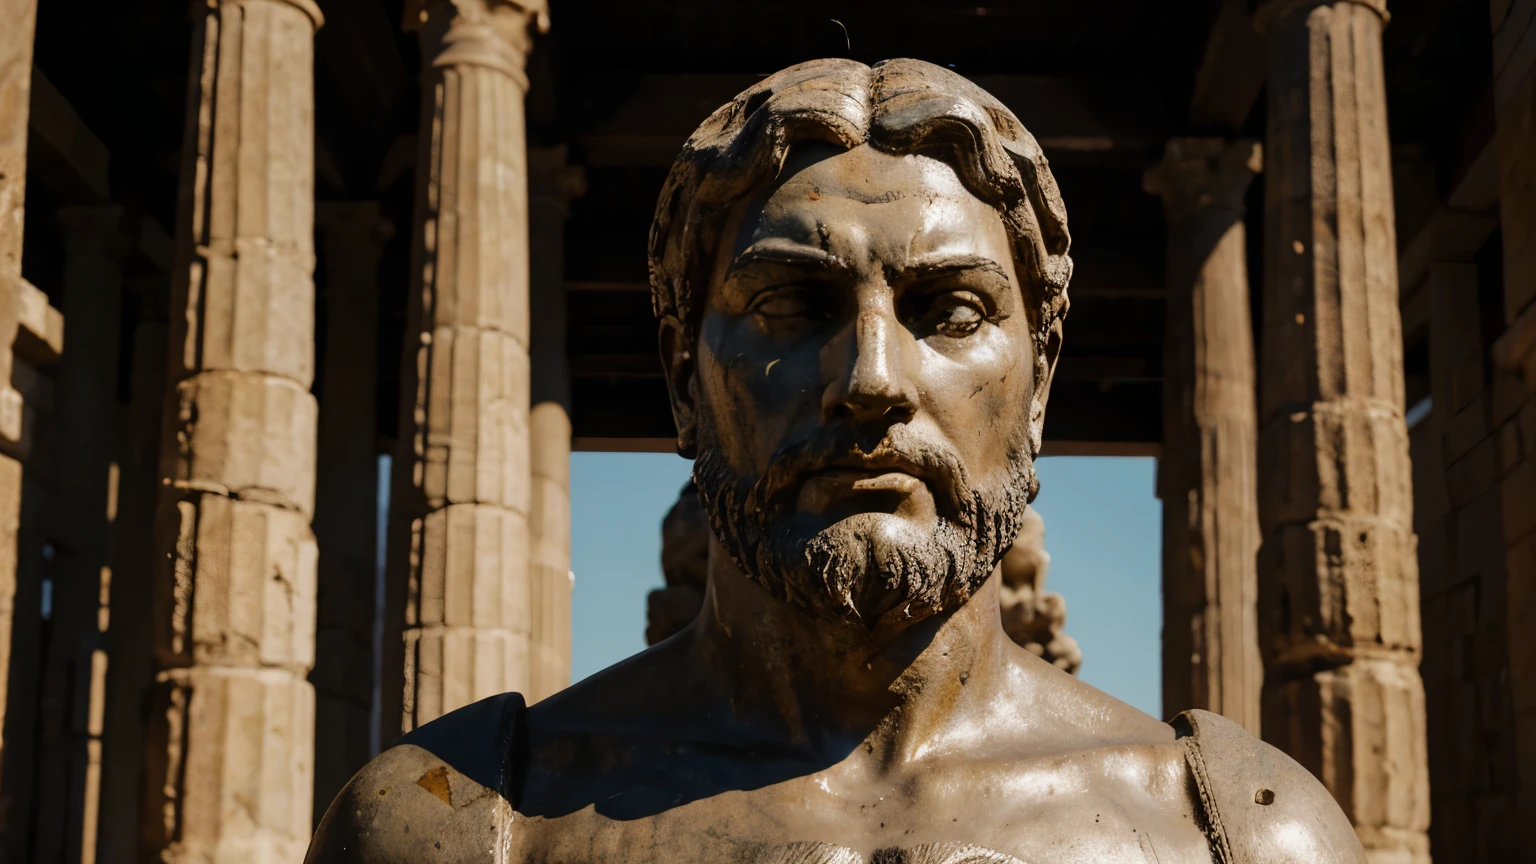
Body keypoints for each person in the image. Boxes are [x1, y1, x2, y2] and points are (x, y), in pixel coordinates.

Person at [307, 58, 1364, 864]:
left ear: (1037, 382)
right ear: (683, 374)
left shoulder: (1245, 839)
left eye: (950, 311)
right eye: (791, 305)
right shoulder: (442, 826)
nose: (870, 377)